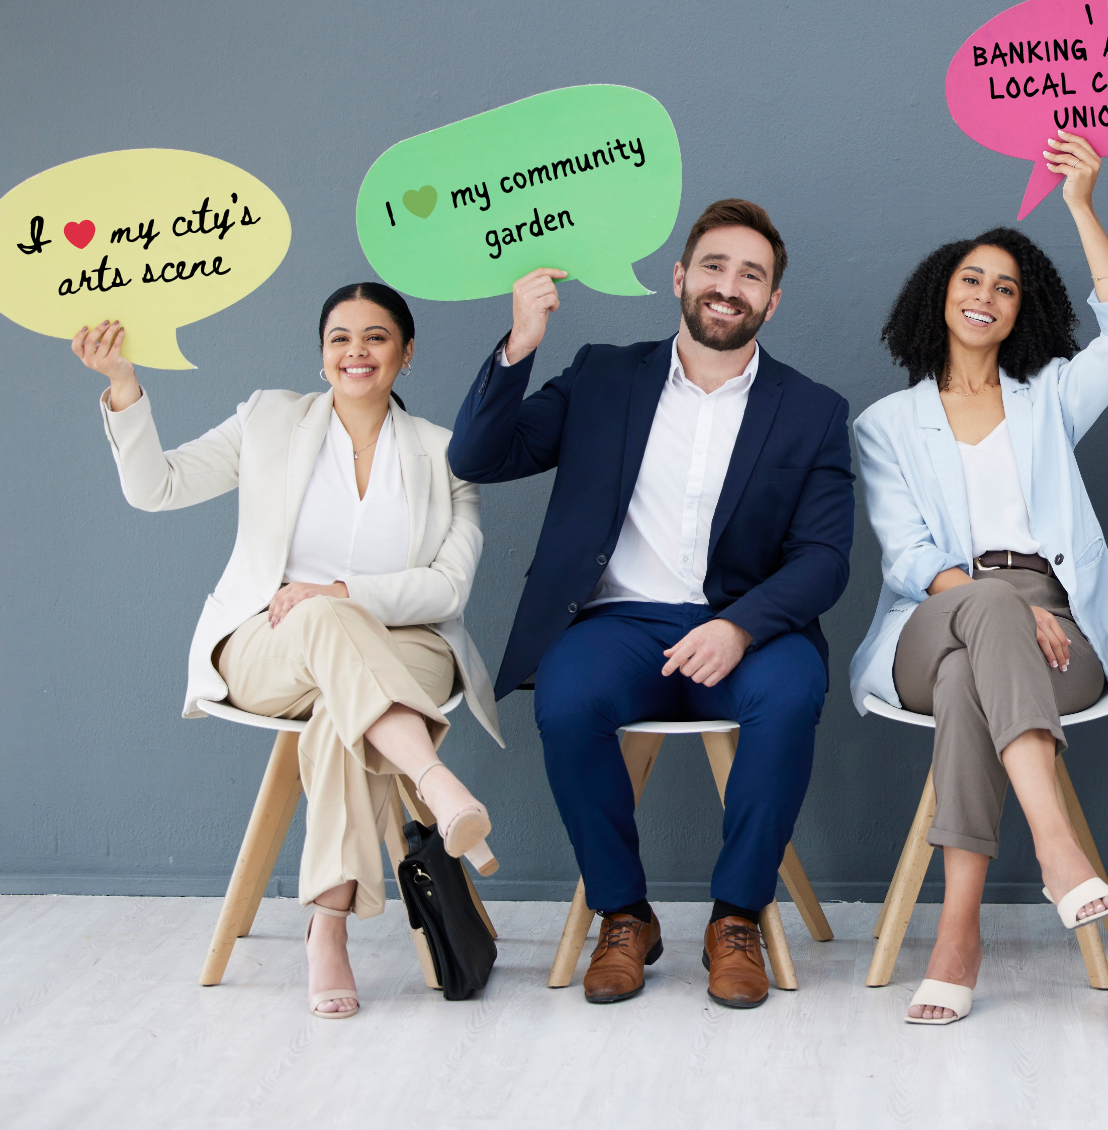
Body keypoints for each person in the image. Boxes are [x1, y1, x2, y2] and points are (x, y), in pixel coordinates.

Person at [447, 199, 854, 1009]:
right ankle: (624, 914)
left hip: (749, 624)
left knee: (792, 694)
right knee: (567, 700)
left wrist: (738, 626)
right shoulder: (602, 374)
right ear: (680, 278)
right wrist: (521, 344)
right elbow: (478, 454)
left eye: (751, 275)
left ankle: (737, 916)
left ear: (772, 301)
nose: (727, 286)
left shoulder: (812, 410)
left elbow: (824, 559)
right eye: (713, 266)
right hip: (618, 622)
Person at [74, 284, 502, 1020]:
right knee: (322, 627)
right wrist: (122, 386)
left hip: (411, 648)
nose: (356, 351)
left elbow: (447, 589)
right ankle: (432, 777)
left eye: (375, 336)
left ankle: (326, 928)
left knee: (342, 685)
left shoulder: (446, 452)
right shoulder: (269, 420)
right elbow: (157, 486)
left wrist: (337, 590)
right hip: (268, 646)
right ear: (322, 351)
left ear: (406, 351)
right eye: (339, 337)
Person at [850, 131, 1108, 1025]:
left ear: (1025, 311)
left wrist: (1082, 206)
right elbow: (906, 556)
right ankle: (1056, 847)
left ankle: (958, 933)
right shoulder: (887, 424)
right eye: (971, 280)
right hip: (932, 612)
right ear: (940, 296)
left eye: (1006, 286)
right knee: (979, 622)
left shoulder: (1048, 397)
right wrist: (990, 601)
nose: (986, 295)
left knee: (967, 684)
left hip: (1056, 625)